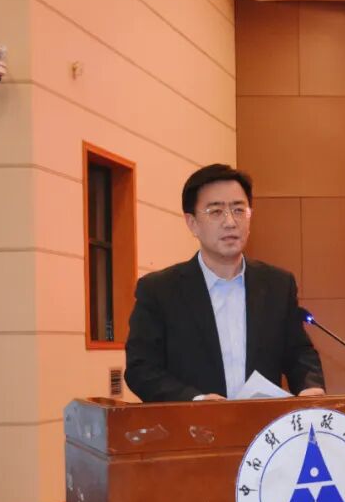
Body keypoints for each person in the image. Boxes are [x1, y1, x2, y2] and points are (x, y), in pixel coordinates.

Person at [125, 164, 325, 402]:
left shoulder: (278, 285)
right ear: (192, 223)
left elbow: (299, 353)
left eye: (239, 210)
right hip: (193, 423)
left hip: (263, 424)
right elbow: (141, 369)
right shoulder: (159, 290)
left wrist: (309, 386)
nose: (230, 222)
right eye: (216, 211)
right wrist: (196, 400)